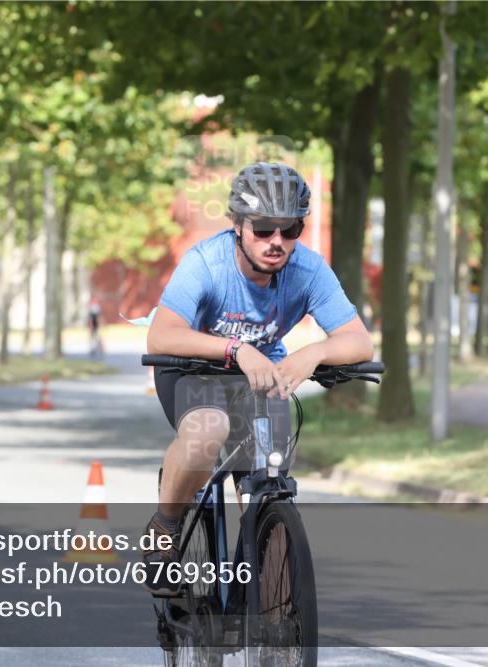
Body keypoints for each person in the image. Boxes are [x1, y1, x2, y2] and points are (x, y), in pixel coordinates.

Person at [141, 162, 374, 595]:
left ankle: (262, 601)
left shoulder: (307, 270)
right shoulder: (205, 264)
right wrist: (236, 349)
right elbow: (163, 334)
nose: (276, 242)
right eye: (264, 229)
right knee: (209, 430)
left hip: (260, 378)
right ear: (237, 225)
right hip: (191, 365)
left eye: (290, 230)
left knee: (266, 480)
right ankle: (165, 531)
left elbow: (360, 343)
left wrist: (316, 352)